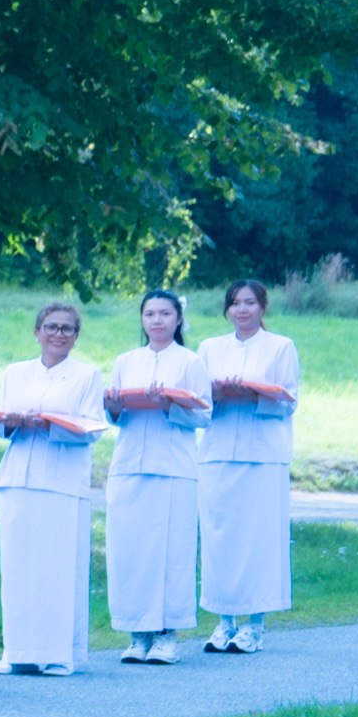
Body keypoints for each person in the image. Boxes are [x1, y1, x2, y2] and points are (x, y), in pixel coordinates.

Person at [0, 301, 109, 675]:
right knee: (19, 565)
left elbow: (93, 428)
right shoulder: (16, 372)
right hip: (19, 476)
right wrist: (11, 422)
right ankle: (17, 652)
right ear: (37, 332)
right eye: (51, 327)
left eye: (67, 329)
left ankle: (59, 653)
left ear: (76, 336)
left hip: (63, 480)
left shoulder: (87, 375)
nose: (58, 334)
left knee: (57, 566)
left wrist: (47, 425)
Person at [103, 288, 209, 664]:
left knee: (170, 551)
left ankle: (167, 635)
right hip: (129, 464)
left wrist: (169, 406)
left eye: (165, 314)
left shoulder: (190, 361)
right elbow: (115, 417)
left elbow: (204, 415)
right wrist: (113, 409)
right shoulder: (125, 361)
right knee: (130, 551)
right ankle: (137, 634)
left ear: (178, 319)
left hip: (173, 468)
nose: (157, 320)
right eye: (150, 314)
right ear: (142, 319)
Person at [199, 278, 301, 652]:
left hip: (263, 455)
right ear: (227, 309)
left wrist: (252, 392)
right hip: (218, 451)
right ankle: (224, 621)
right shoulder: (210, 348)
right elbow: (197, 402)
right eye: (235, 303)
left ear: (263, 307)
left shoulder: (280, 347)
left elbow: (288, 401)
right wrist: (219, 393)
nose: (242, 310)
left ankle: (255, 624)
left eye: (250, 303)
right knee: (220, 537)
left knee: (258, 538)